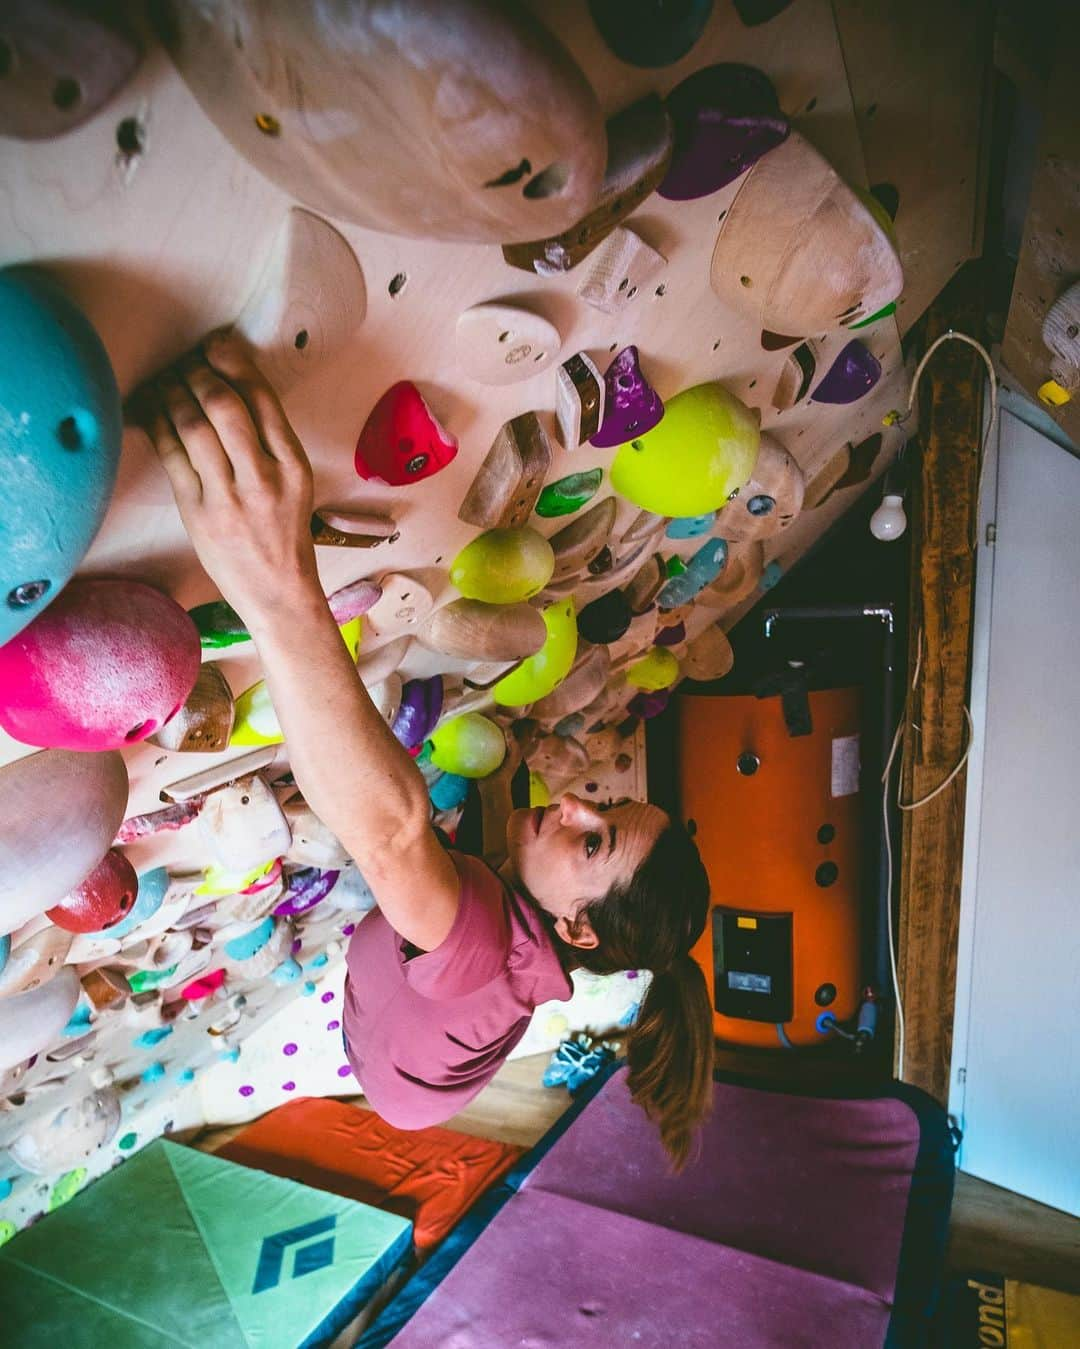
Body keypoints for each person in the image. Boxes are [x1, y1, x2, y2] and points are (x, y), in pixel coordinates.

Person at [132, 332, 714, 1168]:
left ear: (577, 930)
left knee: (430, 863)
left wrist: (275, 576)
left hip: (399, 1084)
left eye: (595, 838)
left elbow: (393, 828)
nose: (585, 800)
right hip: (438, 1039)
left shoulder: (477, 943)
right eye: (610, 804)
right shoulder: (527, 932)